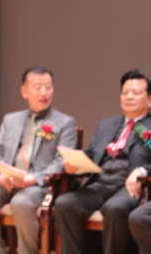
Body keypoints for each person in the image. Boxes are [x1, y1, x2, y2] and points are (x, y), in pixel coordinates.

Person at [0, 66, 77, 254]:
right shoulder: (11, 119)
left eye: (48, 87)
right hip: (8, 180)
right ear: (24, 91)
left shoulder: (65, 122)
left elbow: (61, 161)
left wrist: (32, 179)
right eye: (38, 87)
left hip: (38, 184)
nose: (44, 92)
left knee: (21, 203)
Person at [54, 69, 151, 254]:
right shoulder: (106, 124)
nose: (129, 96)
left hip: (128, 187)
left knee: (114, 208)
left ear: (150, 99)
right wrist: (74, 164)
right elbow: (91, 154)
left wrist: (142, 170)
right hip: (99, 184)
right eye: (125, 92)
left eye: (136, 92)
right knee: (65, 203)